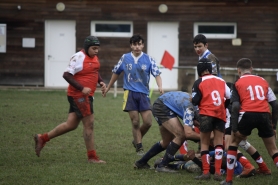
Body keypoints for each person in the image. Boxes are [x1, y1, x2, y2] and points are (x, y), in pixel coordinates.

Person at [34, 36, 106, 163]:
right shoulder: (78, 57)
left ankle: (43, 138)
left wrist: (101, 82)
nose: (96, 51)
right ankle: (92, 157)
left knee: (71, 124)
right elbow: (66, 74)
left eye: (97, 48)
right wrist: (82, 88)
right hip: (79, 96)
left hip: (84, 96)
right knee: (89, 124)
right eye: (94, 48)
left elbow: (94, 70)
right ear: (86, 47)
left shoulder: (94, 57)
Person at [220, 58, 278, 185]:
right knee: (273, 150)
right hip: (264, 114)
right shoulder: (263, 81)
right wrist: (274, 126)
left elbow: (235, 107)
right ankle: (264, 167)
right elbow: (274, 104)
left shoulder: (238, 83)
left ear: (238, 70)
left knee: (233, 144)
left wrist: (235, 129)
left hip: (247, 114)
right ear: (251, 69)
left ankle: (228, 180)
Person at [103, 34, 163, 155]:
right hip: (129, 93)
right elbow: (116, 72)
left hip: (144, 94)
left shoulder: (149, 59)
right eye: (134, 44)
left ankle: (136, 138)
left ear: (143, 45)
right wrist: (108, 87)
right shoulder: (125, 58)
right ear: (131, 45)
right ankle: (139, 146)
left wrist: (160, 86)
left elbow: (157, 74)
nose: (137, 47)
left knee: (148, 122)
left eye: (139, 44)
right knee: (135, 121)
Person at [133, 91, 200, 172]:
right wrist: (205, 138)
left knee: (167, 141)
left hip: (163, 102)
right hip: (162, 106)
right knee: (181, 135)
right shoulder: (190, 111)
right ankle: (162, 165)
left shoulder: (198, 110)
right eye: (198, 124)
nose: (198, 126)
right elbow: (188, 133)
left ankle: (141, 162)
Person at [191, 58, 231, 181]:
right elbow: (229, 96)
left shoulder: (198, 82)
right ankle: (218, 173)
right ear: (210, 69)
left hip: (206, 114)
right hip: (220, 114)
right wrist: (222, 107)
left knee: (204, 143)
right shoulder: (221, 80)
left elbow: (195, 100)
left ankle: (206, 172)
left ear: (199, 71)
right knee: (219, 143)